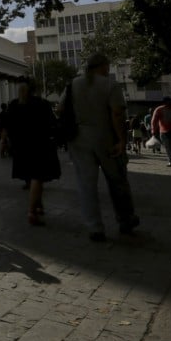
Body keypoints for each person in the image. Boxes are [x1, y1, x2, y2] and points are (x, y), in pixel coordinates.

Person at [60, 53, 139, 242]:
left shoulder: (73, 84)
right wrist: (121, 139)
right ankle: (125, 219)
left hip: (79, 139)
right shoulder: (110, 84)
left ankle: (95, 227)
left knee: (86, 185)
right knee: (117, 180)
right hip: (106, 138)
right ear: (103, 66)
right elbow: (117, 113)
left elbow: (61, 108)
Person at [0, 78, 61, 227]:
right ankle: (32, 211)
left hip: (20, 147)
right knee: (37, 177)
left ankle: (38, 205)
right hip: (39, 145)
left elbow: (6, 126)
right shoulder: (41, 104)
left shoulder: (14, 105)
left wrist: (3, 142)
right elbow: (52, 124)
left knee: (33, 177)